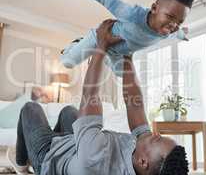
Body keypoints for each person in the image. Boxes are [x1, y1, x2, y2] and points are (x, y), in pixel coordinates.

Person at [9, 20, 189, 175]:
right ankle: (58, 139)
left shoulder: (95, 158)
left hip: (49, 157)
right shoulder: (143, 151)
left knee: (30, 108)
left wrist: (101, 46)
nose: (155, 134)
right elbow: (135, 103)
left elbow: (90, 96)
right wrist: (127, 55)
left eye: (156, 139)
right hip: (74, 148)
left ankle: (21, 163)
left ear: (143, 162)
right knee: (68, 111)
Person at [61, 0, 194, 77]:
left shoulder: (168, 31)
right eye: (170, 17)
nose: (173, 25)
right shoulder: (132, 15)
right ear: (154, 8)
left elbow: (177, 32)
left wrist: (182, 34)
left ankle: (105, 55)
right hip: (100, 38)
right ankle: (77, 43)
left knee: (123, 74)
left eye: (179, 22)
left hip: (118, 52)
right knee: (68, 62)